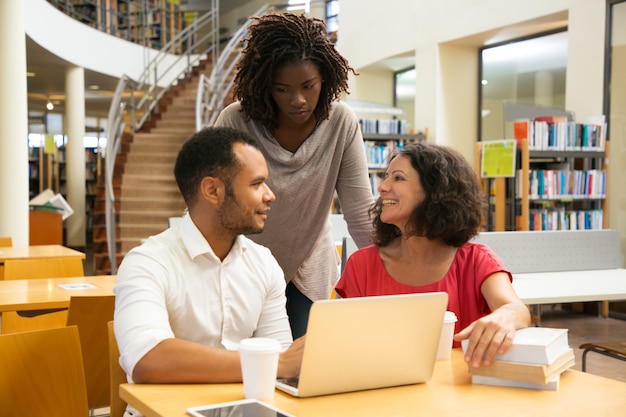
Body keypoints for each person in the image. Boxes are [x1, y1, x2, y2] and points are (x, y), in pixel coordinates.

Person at [113, 127, 304, 415]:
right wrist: (274, 363)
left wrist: (280, 363)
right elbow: (147, 361)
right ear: (213, 190)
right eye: (257, 184)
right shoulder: (147, 262)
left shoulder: (264, 263)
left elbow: (281, 361)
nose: (270, 195)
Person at [214, 12, 374, 339]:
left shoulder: (341, 122)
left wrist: (401, 268)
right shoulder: (237, 121)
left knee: (303, 370)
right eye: (282, 89)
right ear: (265, 84)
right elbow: (210, 202)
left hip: (308, 272)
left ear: (325, 79)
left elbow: (360, 212)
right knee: (249, 368)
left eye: (308, 86)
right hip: (244, 270)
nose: (297, 100)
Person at [334, 142, 530, 368]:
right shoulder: (362, 264)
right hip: (383, 390)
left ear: (434, 190)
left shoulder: (476, 260)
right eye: (386, 177)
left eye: (398, 178)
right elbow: (347, 342)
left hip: (459, 393)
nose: (382, 187)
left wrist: (505, 317)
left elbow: (517, 310)